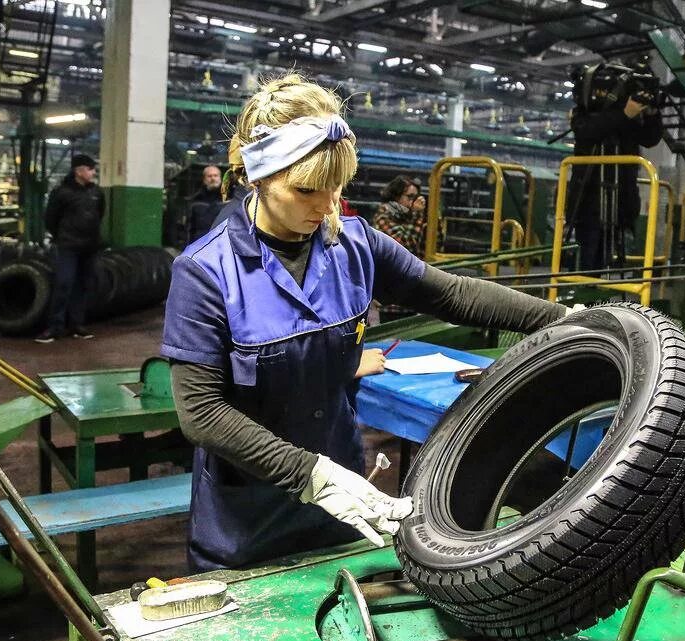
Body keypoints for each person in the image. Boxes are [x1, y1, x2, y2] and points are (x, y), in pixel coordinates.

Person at [161, 73, 572, 572]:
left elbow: (451, 293)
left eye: (336, 188)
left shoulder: (355, 244)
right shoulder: (205, 271)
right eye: (308, 189)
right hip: (249, 514)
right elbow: (201, 412)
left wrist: (567, 319)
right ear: (258, 176)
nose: (326, 205)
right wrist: (312, 476)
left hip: (345, 502)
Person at [566, 82, 662, 271]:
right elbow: (588, 132)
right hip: (590, 198)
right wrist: (624, 114)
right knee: (587, 258)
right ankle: (583, 292)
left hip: (621, 199)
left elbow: (650, 139)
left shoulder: (629, 119)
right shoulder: (585, 113)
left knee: (606, 258)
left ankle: (599, 292)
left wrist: (652, 116)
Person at [36, 153, 105, 343]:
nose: (93, 172)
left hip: (89, 247)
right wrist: (62, 237)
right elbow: (51, 219)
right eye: (90, 169)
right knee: (64, 284)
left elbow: (99, 215)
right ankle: (54, 327)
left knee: (83, 286)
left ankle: (77, 325)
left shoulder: (96, 193)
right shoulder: (61, 193)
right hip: (68, 247)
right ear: (78, 170)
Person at [372, 175, 426, 257]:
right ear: (396, 196)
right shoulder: (384, 215)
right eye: (410, 196)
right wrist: (417, 214)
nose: (414, 201)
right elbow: (405, 247)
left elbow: (437, 242)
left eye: (416, 197)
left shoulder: (412, 216)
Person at [184, 165, 225, 247]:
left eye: (216, 175)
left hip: (223, 245)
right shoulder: (195, 200)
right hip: (200, 246)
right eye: (209, 176)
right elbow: (189, 229)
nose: (213, 178)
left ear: (220, 178)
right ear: (204, 179)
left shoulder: (230, 200)